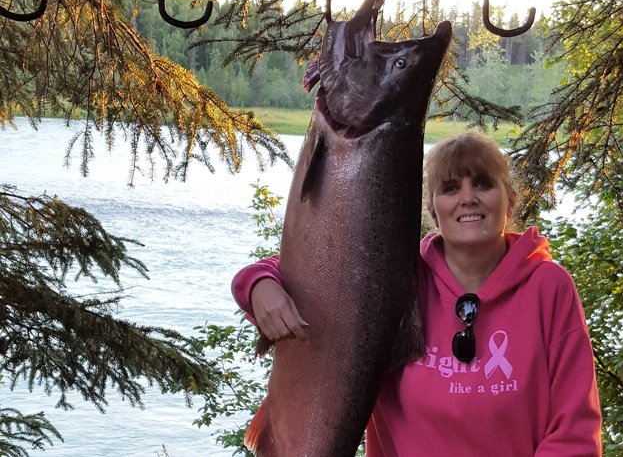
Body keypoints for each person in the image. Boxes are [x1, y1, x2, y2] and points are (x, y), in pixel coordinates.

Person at [231, 132, 603, 456]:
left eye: (483, 184)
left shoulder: (549, 287)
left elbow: (575, 431)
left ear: (510, 199)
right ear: (432, 209)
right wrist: (260, 285)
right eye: (451, 188)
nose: (468, 198)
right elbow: (310, 273)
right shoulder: (395, 277)